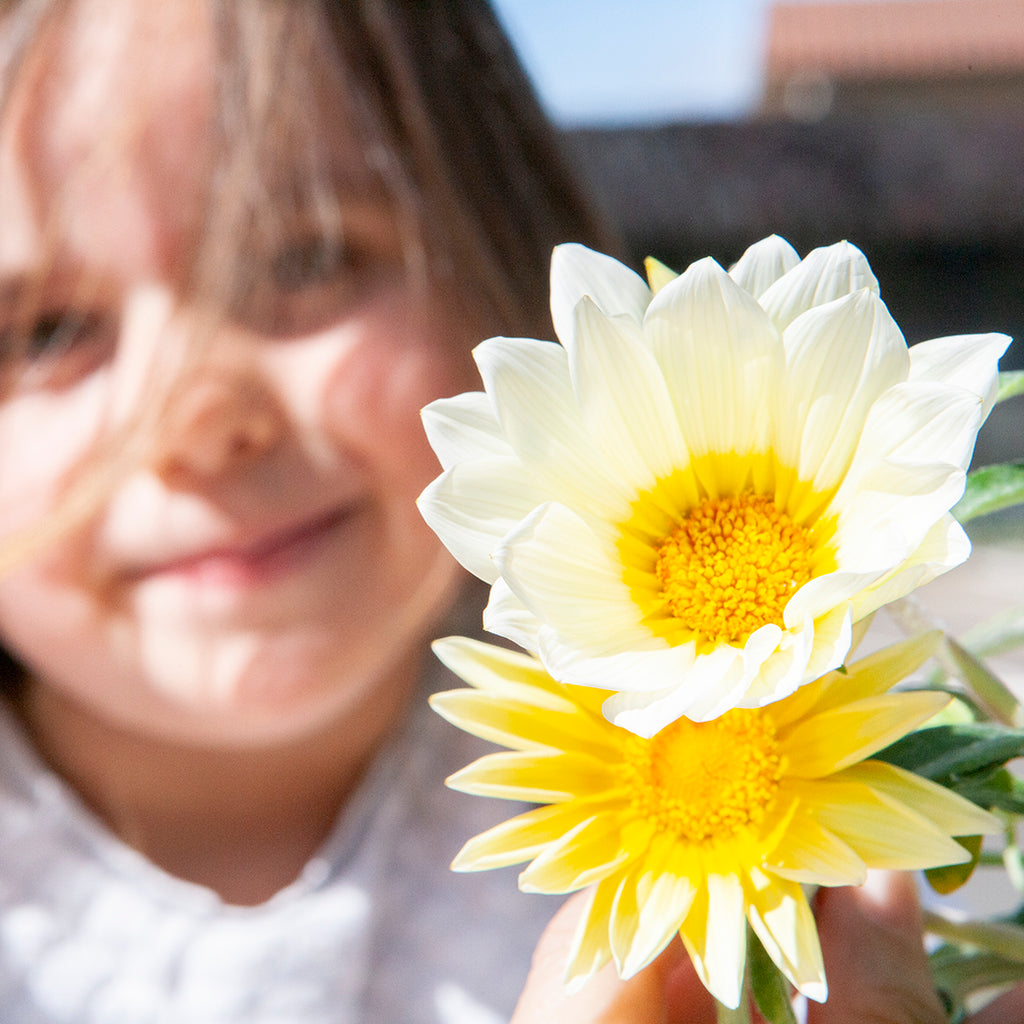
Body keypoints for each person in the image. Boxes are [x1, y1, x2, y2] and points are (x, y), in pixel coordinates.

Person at [0, 1, 1017, 1021]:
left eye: (304, 260)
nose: (195, 415)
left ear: (502, 240)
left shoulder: (841, 842)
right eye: (46, 330)